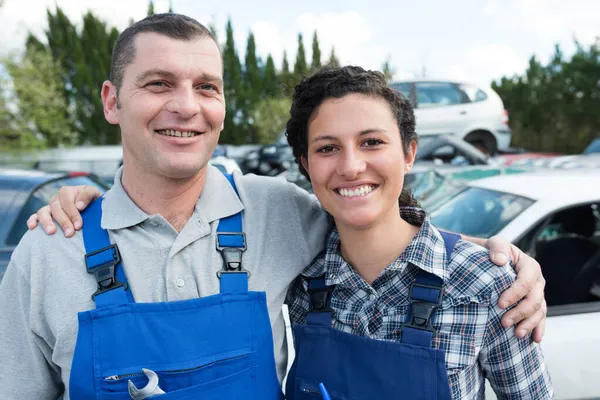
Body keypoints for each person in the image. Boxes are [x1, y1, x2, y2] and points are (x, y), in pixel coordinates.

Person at [7, 13, 546, 399]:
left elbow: (382, 225)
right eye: (158, 83)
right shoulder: (48, 252)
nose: (186, 106)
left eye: (206, 86)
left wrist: (505, 259)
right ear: (111, 100)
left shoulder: (276, 212)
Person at [283, 66, 553, 399]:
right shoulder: (302, 282)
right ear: (306, 165)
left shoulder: (484, 284)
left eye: (371, 142)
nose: (351, 166)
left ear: (409, 153)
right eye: (327, 148)